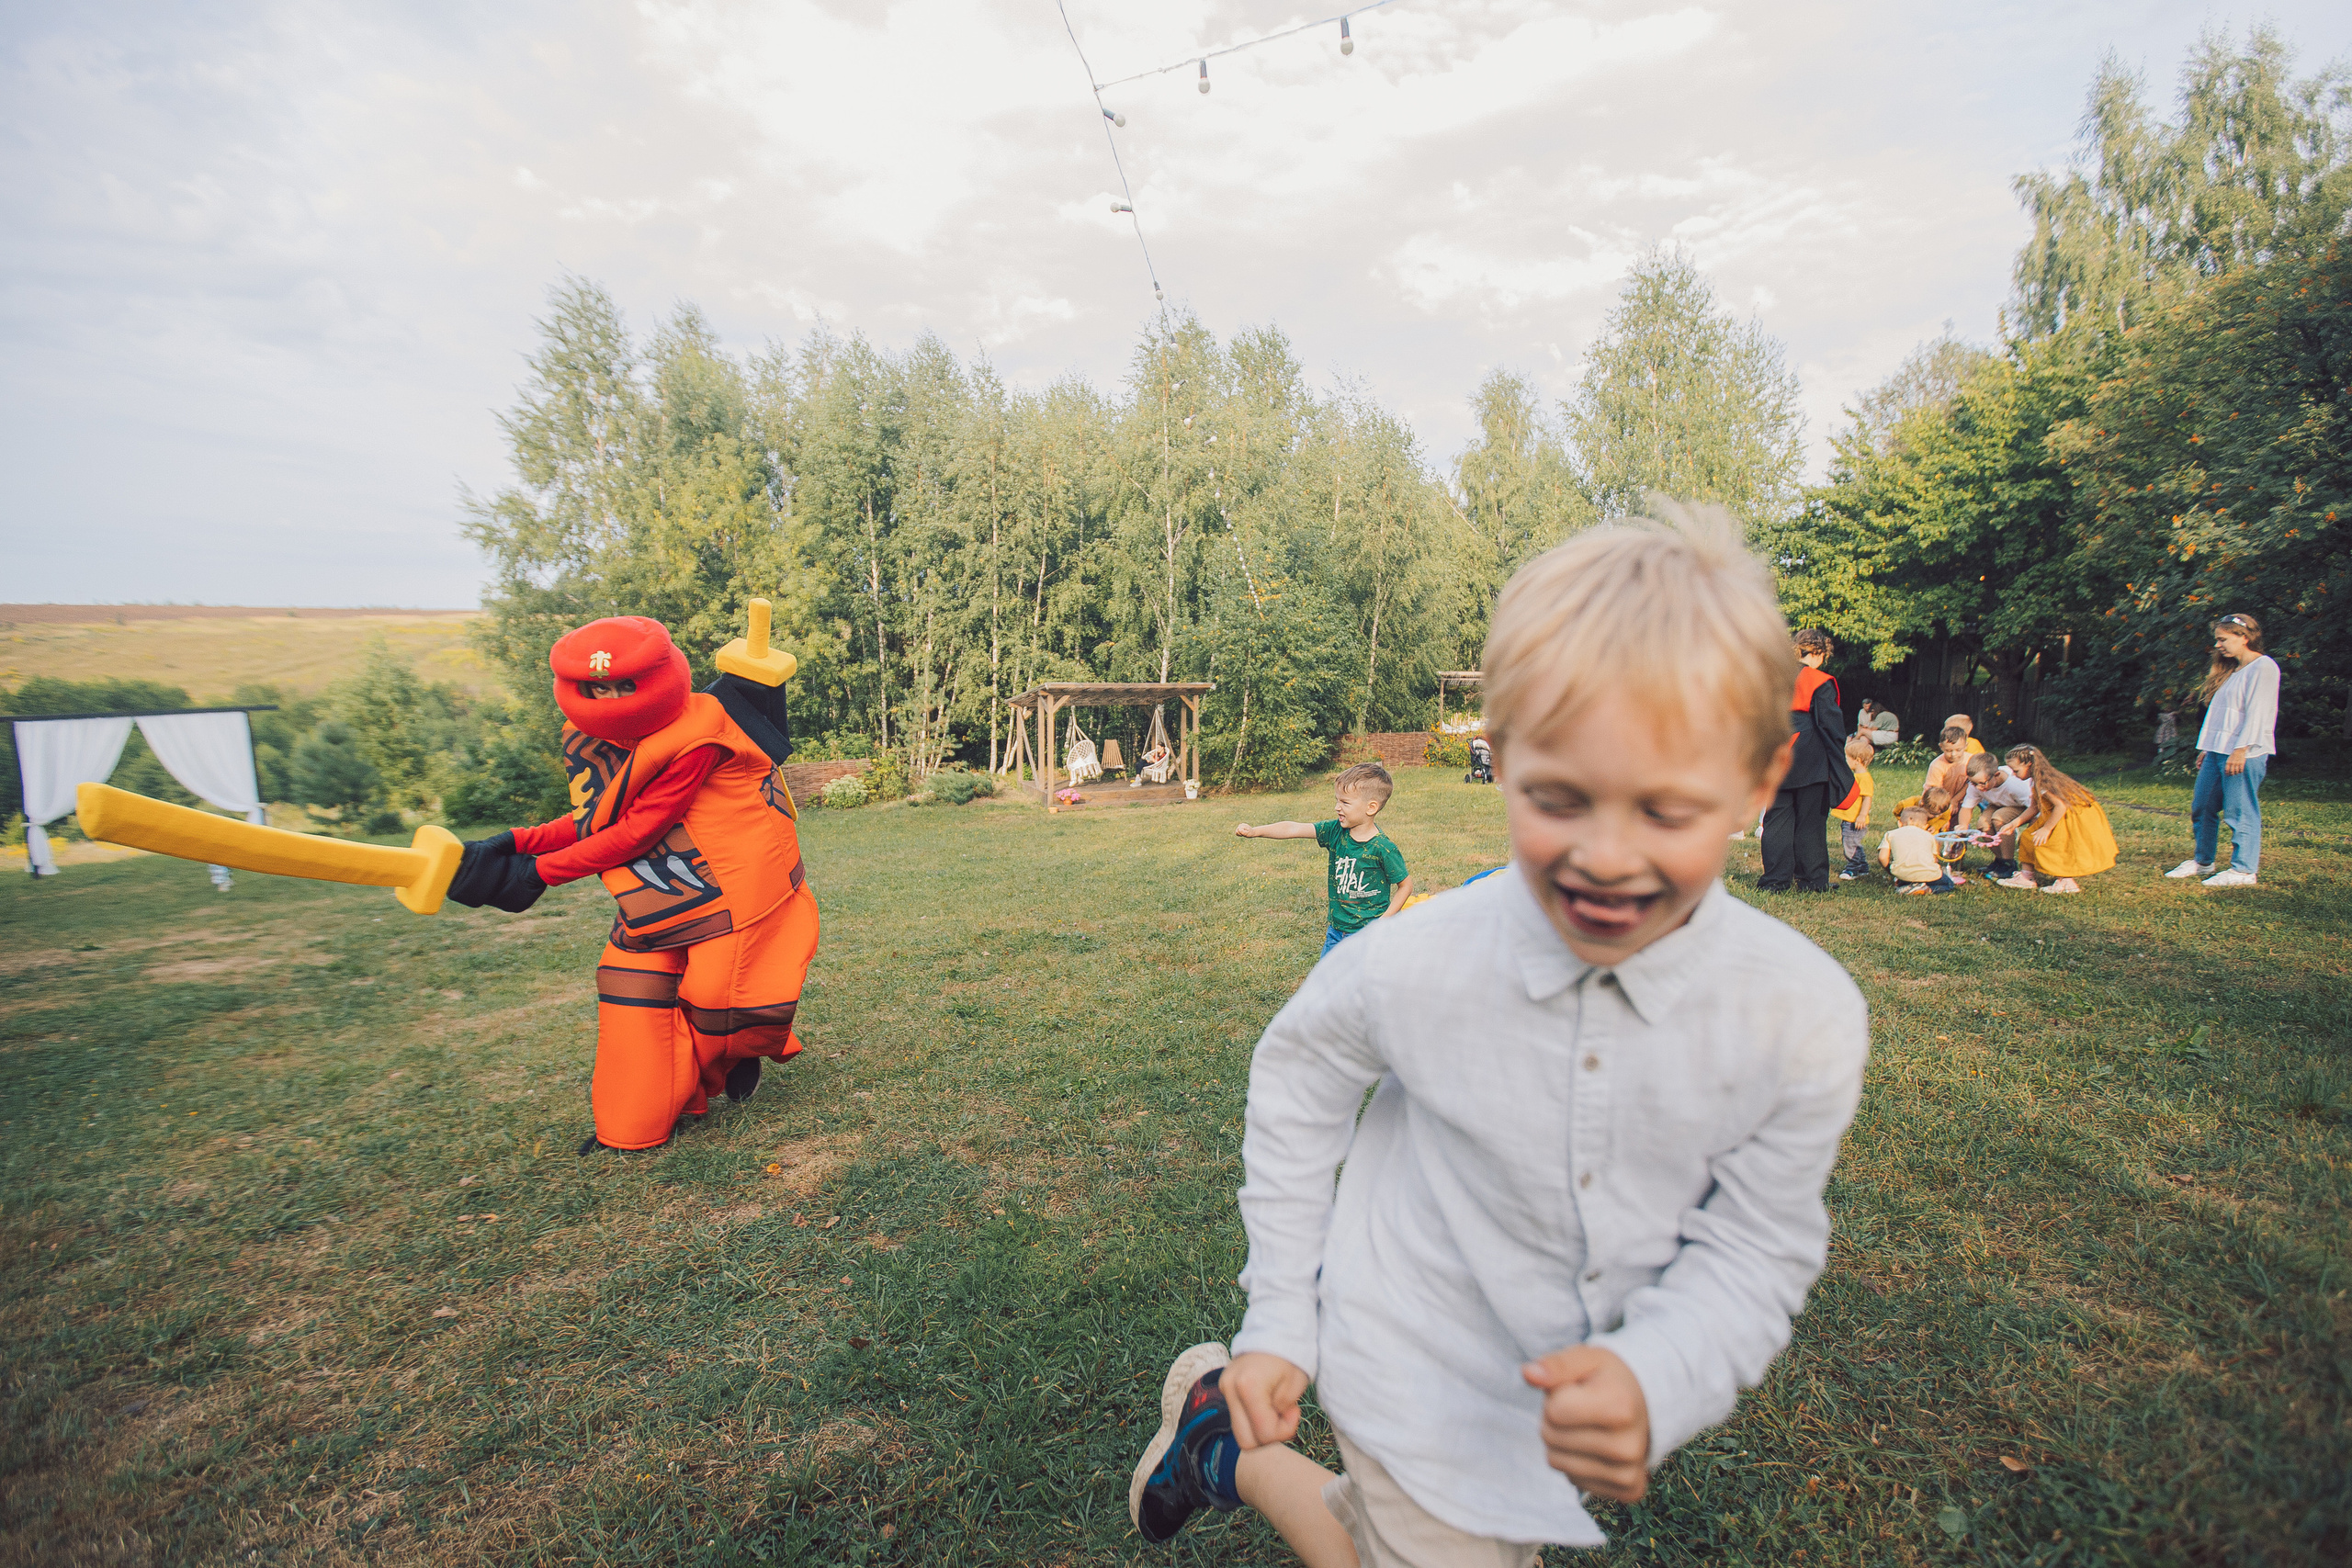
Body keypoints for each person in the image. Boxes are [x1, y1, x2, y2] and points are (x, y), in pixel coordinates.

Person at [1131, 513, 1868, 1563]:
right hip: (1407, 1343)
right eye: (1558, 800)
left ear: (1759, 780)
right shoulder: (1415, 960)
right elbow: (1298, 1079)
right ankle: (1232, 1446)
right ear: (1503, 760)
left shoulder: (1799, 1014)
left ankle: (1218, 1445)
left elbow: (1756, 1241)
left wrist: (1663, 1373)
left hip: (1549, 1381)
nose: (1607, 859)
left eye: (1667, 810)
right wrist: (1282, 1315)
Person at [443, 615, 820, 1152]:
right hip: (659, 893)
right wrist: (514, 842)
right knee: (630, 992)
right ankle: (631, 1127)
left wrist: (537, 874)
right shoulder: (600, 740)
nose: (614, 700)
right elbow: (599, 816)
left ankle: (729, 1061)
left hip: (740, 894)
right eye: (598, 688)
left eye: (626, 685)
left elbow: (639, 829)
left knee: (722, 1001)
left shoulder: (699, 737)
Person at [1236, 761, 1413, 959]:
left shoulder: (1383, 848)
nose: (1337, 807)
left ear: (1371, 807)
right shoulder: (1334, 831)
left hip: (1369, 936)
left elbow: (1405, 886)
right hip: (1337, 932)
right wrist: (1255, 831)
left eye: (1345, 803)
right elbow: (1294, 828)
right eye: (1337, 800)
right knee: (1328, 983)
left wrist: (1383, 922)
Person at [2167, 613, 2280, 888]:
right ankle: (2203, 862)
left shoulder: (2264, 667)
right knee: (2202, 806)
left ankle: (2243, 871)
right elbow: (2221, 715)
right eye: (2217, 640)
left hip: (2244, 752)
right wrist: (2208, 748)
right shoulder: (2232, 671)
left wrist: (2241, 749)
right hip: (2218, 751)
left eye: (2222, 639)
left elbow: (2259, 713)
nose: (2218, 645)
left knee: (2239, 811)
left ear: (2244, 637)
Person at [1758, 627, 1850, 892]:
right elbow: (1830, 725)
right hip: (1810, 752)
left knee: (1776, 817)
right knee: (1811, 819)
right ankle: (1811, 881)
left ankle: (1775, 881)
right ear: (1820, 653)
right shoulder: (1819, 680)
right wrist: (1837, 761)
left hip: (1776, 748)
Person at [1996, 747, 2118, 894]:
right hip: (2059, 813)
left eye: (2016, 771)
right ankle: (2026, 877)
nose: (2014, 775)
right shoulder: (2034, 781)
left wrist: (2047, 829)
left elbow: (2061, 805)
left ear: (2029, 765)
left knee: (2056, 845)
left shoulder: (2044, 782)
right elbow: (2034, 808)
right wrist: (2013, 823)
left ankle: (2066, 882)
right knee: (2028, 837)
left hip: (2069, 816)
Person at [1956, 752, 2033, 883]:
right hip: (1998, 804)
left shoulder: (2015, 785)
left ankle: (2009, 863)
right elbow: (1967, 807)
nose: (1978, 787)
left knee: (1999, 818)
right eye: (1973, 783)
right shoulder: (1977, 784)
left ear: (1996, 775)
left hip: (2023, 806)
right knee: (1982, 824)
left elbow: (2034, 807)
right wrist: (1963, 825)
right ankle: (2000, 860)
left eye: (1982, 783)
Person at [1878, 804, 1958, 894]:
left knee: (1905, 877)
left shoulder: (1890, 834)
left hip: (1903, 875)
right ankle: (1927, 889)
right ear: (1925, 826)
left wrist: (1891, 871)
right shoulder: (1930, 836)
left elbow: (1882, 857)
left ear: (1900, 823)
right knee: (1949, 884)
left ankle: (1907, 885)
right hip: (1929, 874)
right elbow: (1934, 859)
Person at [1831, 736, 1876, 880]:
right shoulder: (1855, 776)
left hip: (1855, 820)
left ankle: (1853, 868)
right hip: (1849, 818)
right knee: (1854, 843)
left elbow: (1867, 798)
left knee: (1850, 844)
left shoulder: (1864, 778)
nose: (1845, 760)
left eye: (1847, 758)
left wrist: (1862, 815)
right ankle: (1863, 867)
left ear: (1857, 761)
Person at [1924, 726, 1972, 806]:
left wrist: (1955, 800)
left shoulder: (1971, 760)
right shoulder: (1937, 765)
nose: (1953, 754)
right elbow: (1936, 792)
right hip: (1935, 801)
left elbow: (1970, 784)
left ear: (1966, 746)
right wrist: (1948, 804)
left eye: (1958, 750)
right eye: (1949, 750)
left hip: (1960, 800)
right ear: (1941, 747)